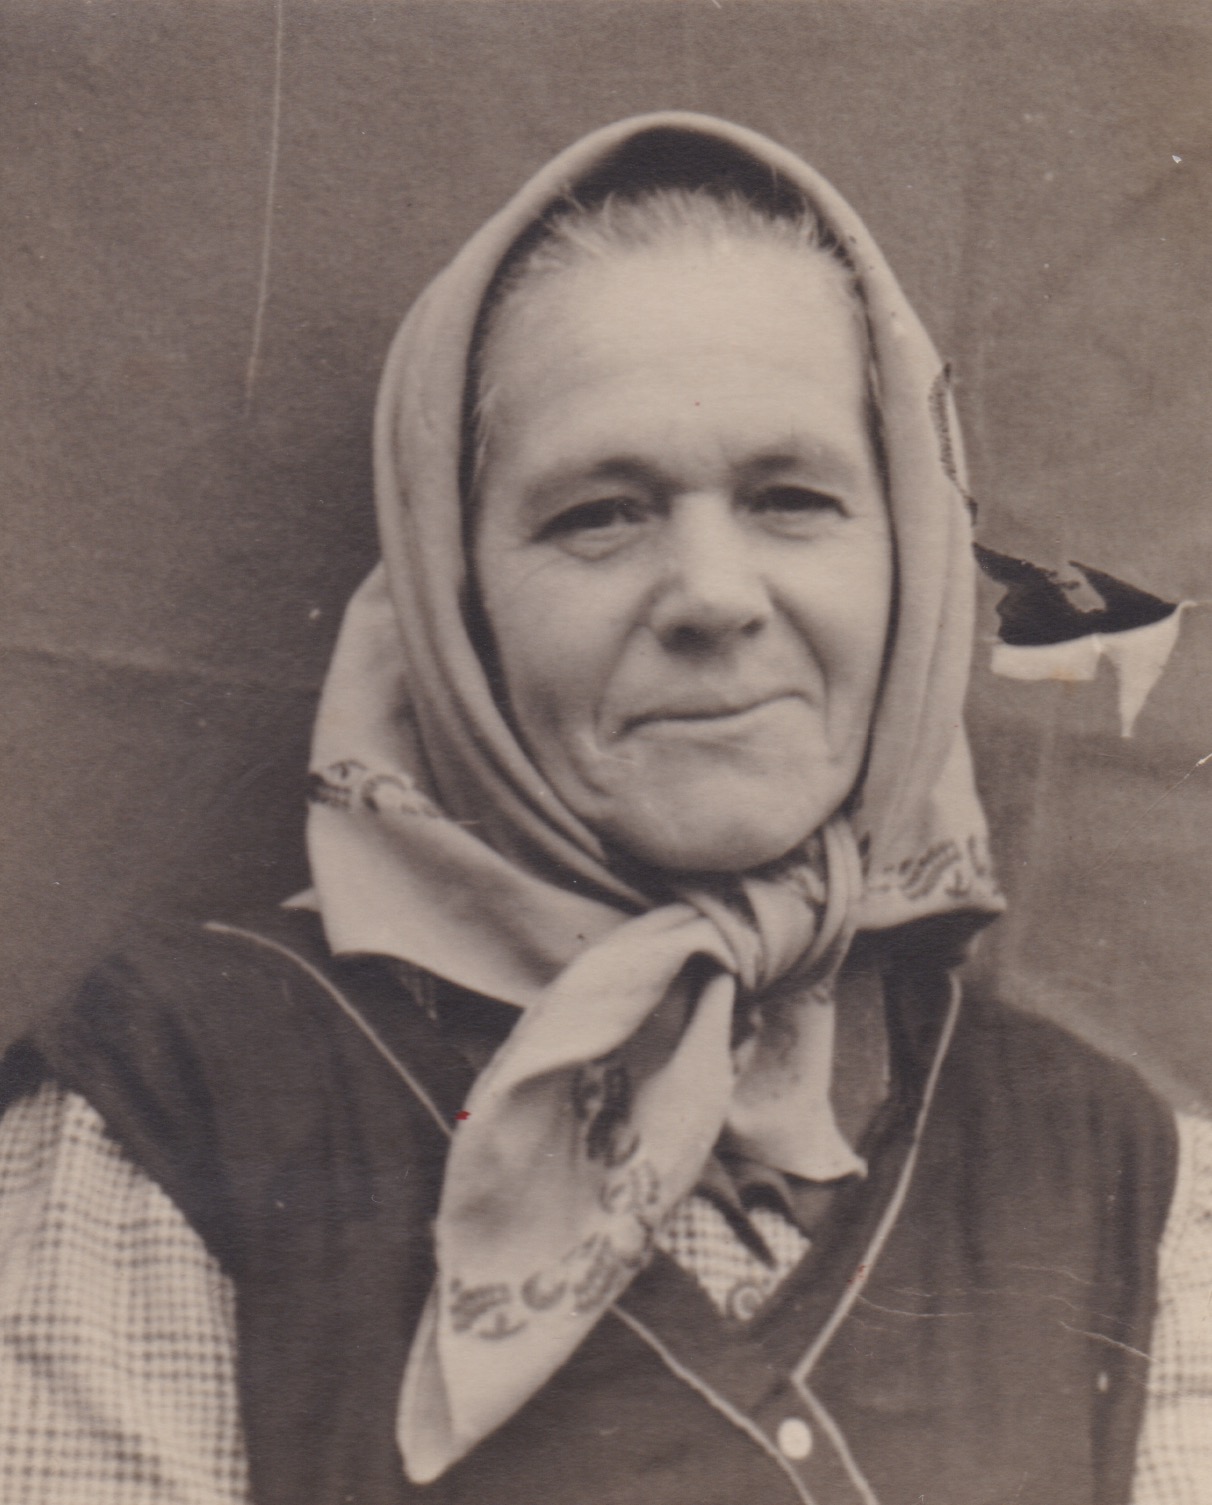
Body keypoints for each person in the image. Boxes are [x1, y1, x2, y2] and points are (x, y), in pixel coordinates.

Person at [0, 112, 1208, 1505]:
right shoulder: (174, 1114)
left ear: (916, 560)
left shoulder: (1123, 1181)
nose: (712, 595)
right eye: (599, 514)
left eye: (793, 497)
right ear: (457, 597)